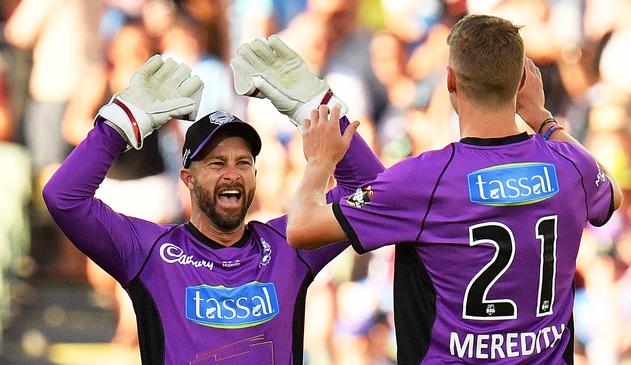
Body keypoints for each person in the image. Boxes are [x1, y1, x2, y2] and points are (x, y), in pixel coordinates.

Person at [285, 14, 623, 364]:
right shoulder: (571, 165)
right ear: (523, 79)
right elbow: (611, 193)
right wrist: (542, 118)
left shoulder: (424, 178)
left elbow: (301, 227)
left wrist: (319, 161)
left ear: (449, 81)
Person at [42, 37, 383, 364]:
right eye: (217, 163)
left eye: (243, 163)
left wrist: (317, 105)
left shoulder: (290, 246)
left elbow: (372, 193)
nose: (232, 174)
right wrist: (121, 123)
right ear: (188, 178)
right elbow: (64, 198)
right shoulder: (149, 252)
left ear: (254, 176)